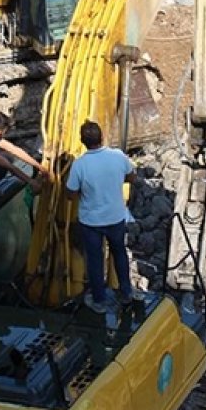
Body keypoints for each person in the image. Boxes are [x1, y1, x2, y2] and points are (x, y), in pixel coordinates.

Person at [65, 120, 141, 313]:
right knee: (119, 253)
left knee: (95, 259)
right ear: (102, 137)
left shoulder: (80, 165)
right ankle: (126, 292)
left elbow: (70, 193)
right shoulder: (117, 156)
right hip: (115, 217)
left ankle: (98, 299)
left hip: (91, 222)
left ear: (82, 141)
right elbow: (132, 177)